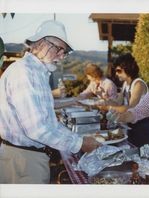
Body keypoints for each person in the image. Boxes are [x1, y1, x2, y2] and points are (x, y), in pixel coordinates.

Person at [0, 20, 100, 184]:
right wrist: (80, 143)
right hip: (24, 161)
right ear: (39, 43)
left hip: (22, 158)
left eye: (64, 52)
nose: (61, 56)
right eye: (58, 48)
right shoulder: (26, 73)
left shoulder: (34, 72)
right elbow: (38, 128)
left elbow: (47, 120)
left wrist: (75, 138)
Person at [106, 53, 149, 147]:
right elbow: (117, 102)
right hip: (133, 124)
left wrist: (107, 108)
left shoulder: (138, 84)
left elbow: (131, 107)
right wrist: (103, 101)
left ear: (127, 69)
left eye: (119, 71)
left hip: (144, 126)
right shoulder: (126, 84)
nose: (116, 74)